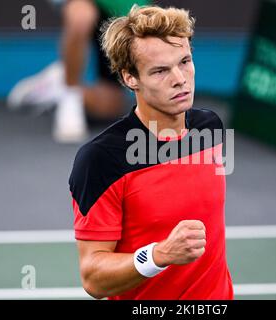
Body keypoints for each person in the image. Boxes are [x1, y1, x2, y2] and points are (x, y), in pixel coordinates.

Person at [69, 5, 234, 300]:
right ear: (131, 78)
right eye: (160, 71)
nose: (180, 79)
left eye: (184, 61)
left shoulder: (210, 129)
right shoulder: (101, 159)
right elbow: (93, 277)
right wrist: (158, 255)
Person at [7, 0, 148, 143]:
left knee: (111, 107)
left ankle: (57, 83)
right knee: (81, 16)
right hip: (87, 5)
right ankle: (70, 95)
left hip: (125, 12)